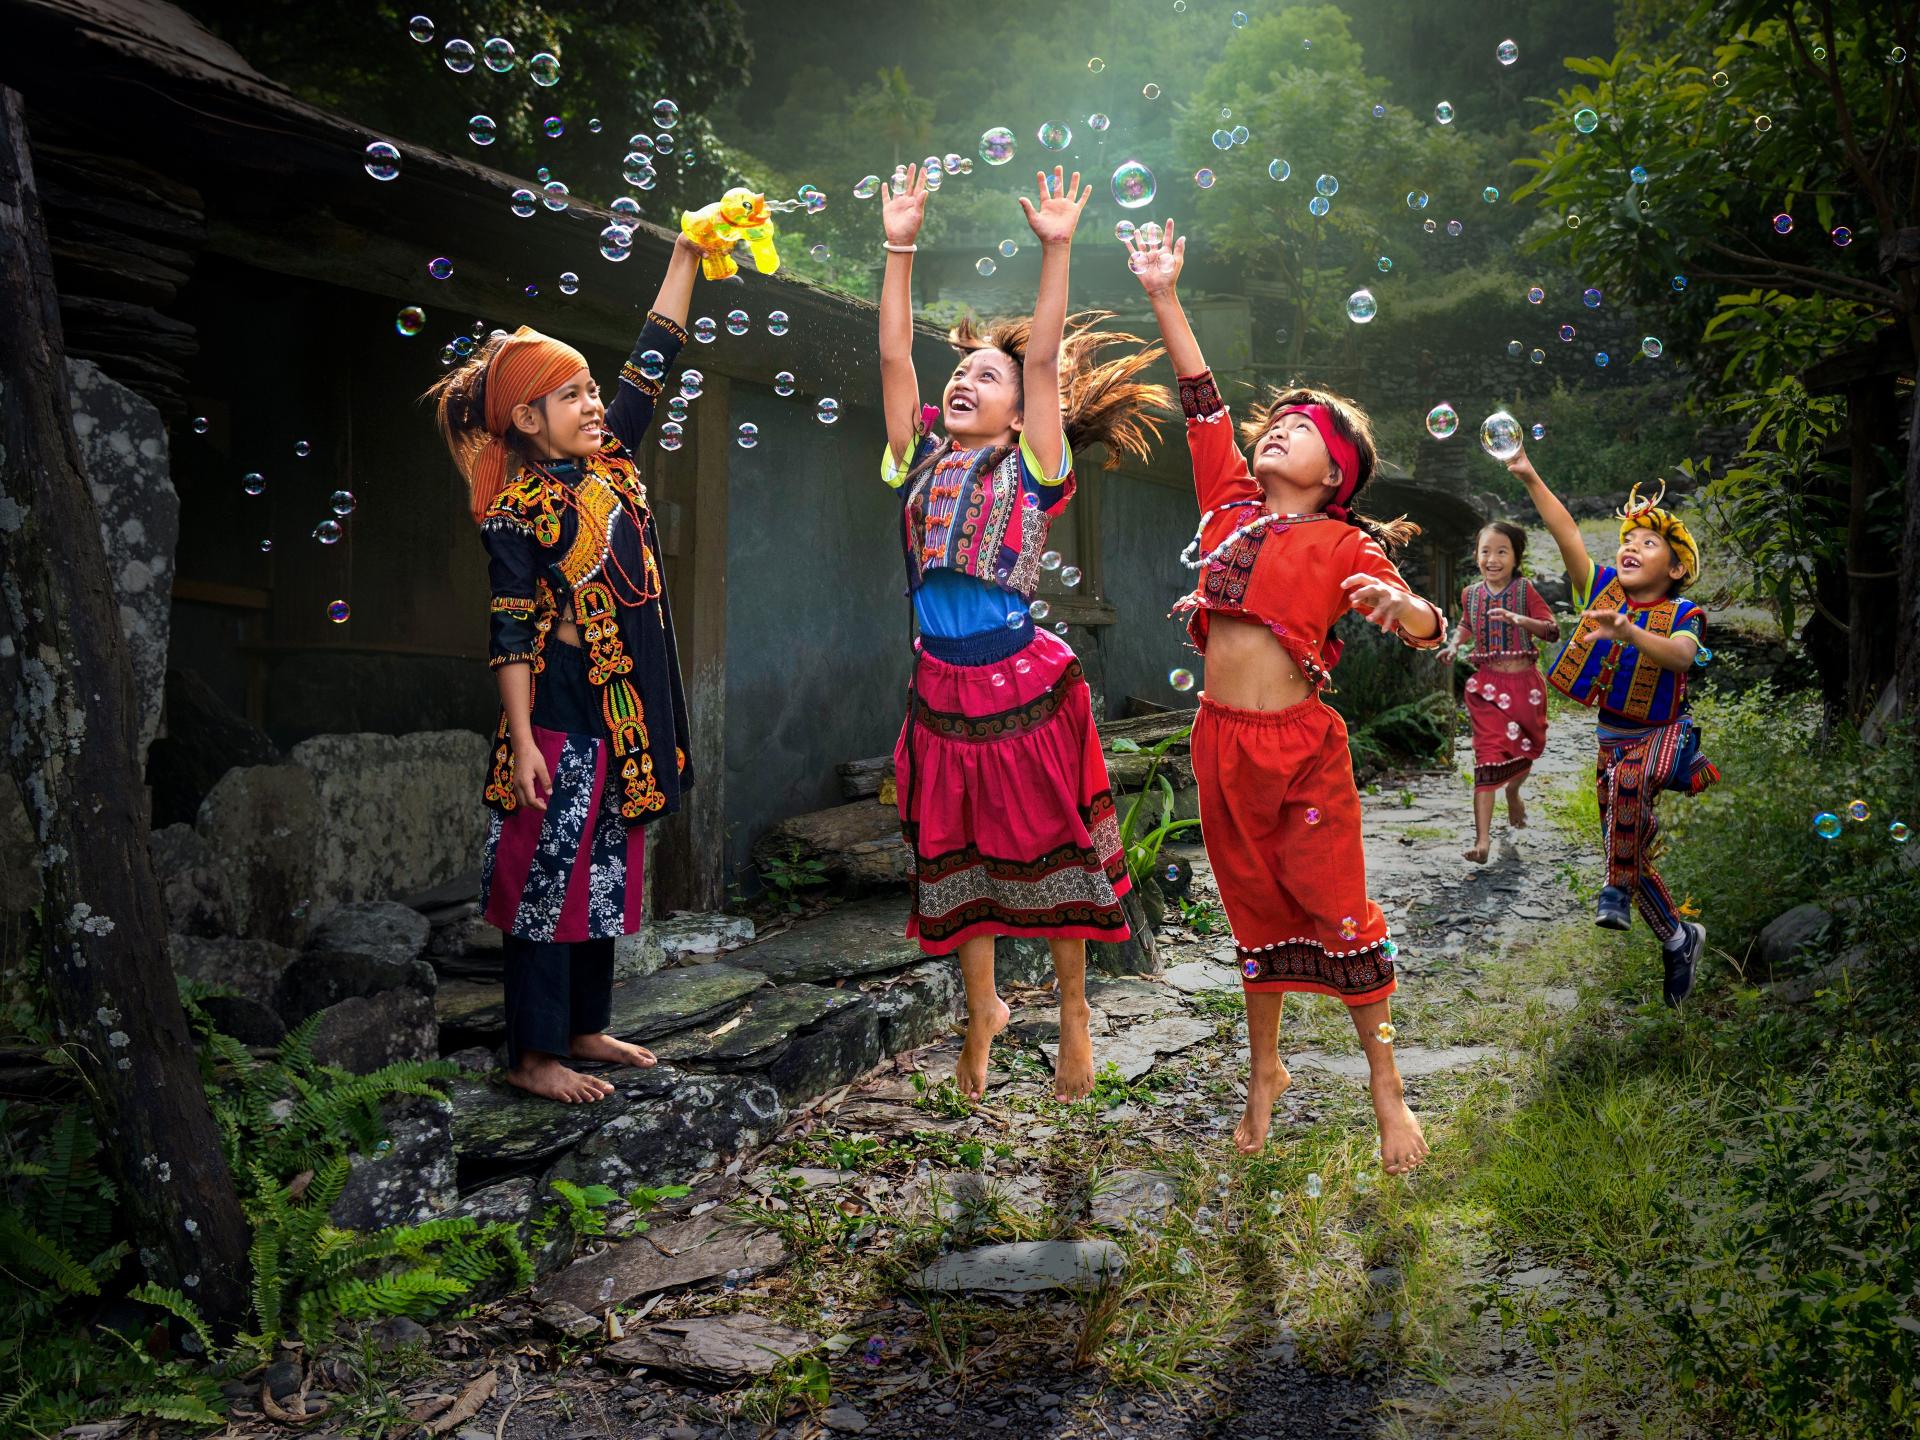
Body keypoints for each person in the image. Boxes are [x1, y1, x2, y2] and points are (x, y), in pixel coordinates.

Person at [1128, 220, 1446, 1171]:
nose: (1278, 430)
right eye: (1278, 423)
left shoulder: (1348, 543)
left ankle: (1388, 1094)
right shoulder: (1226, 505)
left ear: (1336, 474)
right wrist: (1163, 296)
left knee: (1341, 910)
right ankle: (1265, 1071)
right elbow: (1203, 405)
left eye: (1302, 429)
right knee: (1253, 911)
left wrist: (1402, 606)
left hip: (1301, 746)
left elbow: (1429, 625)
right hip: (1218, 743)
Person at [877, 163, 1169, 1103]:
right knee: (953, 853)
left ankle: (1076, 1011)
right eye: (960, 373)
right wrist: (899, 245)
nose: (966, 380)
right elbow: (892, 361)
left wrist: (1057, 249)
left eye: (985, 375)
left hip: (1024, 683)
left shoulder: (1034, 462)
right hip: (939, 688)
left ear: (1016, 410)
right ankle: (984, 1011)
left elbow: (1042, 359)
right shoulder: (917, 456)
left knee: (1054, 846)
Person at [424, 235, 704, 1102]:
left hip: (621, 706)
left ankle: (585, 1025)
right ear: (526, 419)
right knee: (547, 876)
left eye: (591, 390)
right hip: (554, 707)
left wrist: (688, 255)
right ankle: (534, 1056)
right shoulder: (516, 509)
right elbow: (508, 632)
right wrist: (523, 740)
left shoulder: (609, 461)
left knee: (608, 866)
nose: (594, 404)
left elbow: (651, 361)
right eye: (571, 394)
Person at [1509, 448, 1716, 1005]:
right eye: (1628, 539)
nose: (1632, 546)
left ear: (1675, 569)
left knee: (1623, 818)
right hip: (1613, 740)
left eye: (1650, 543)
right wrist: (1531, 474)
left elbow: (1679, 658)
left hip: (1665, 736)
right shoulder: (1600, 590)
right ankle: (1677, 939)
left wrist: (1628, 632)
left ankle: (1614, 896)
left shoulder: (1685, 613)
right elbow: (1566, 531)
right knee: (1625, 851)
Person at [1439, 522, 1561, 863]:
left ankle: (1514, 792)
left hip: (1525, 686)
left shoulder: (1525, 591)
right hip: (1487, 686)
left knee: (1527, 750)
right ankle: (1482, 842)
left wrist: (1516, 619)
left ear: (1516, 557)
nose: (1492, 559)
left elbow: (1551, 631)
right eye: (1485, 551)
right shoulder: (1470, 594)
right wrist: (1453, 645)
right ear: (1477, 556)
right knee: (1487, 758)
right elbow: (1467, 623)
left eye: (1501, 551)